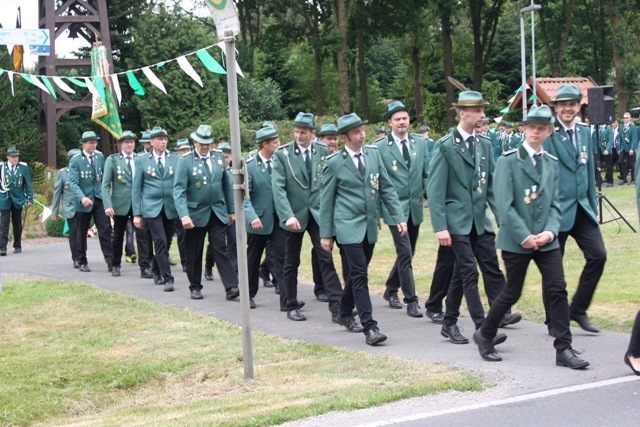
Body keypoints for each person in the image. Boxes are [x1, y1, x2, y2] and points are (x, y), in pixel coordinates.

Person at [473, 104, 589, 369]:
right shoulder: (508, 161)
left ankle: (564, 348)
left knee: (557, 289)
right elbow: (504, 205)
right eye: (532, 127)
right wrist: (525, 236)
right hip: (517, 240)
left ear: (549, 132)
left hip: (546, 241)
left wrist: (549, 232)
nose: (536, 132)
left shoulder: (551, 163)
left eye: (542, 128)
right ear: (524, 129)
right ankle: (485, 333)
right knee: (512, 292)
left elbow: (556, 204)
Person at [320, 112, 407, 345]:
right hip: (347, 226)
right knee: (359, 274)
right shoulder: (334, 163)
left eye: (362, 130)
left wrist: (398, 217)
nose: (362, 135)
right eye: (356, 132)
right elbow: (326, 201)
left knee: (357, 273)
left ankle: (344, 311)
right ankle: (370, 327)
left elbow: (386, 187)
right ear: (345, 137)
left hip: (369, 225)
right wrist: (326, 234)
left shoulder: (373, 154)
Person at [426, 91, 498, 344]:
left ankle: (449, 323)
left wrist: (502, 218)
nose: (482, 115)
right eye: (477, 111)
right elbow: (435, 190)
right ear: (462, 113)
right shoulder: (445, 146)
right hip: (455, 221)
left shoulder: (484, 144)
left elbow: (491, 186)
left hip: (478, 221)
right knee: (469, 271)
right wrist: (440, 227)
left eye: (482, 110)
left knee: (459, 273)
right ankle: (483, 329)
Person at [542, 84, 607, 335]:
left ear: (579, 106)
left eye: (572, 104)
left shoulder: (584, 131)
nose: (568, 109)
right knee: (553, 269)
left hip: (582, 209)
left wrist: (592, 207)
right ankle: (553, 321)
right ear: (556, 108)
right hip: (556, 212)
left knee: (598, 256)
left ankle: (578, 309)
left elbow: (588, 172)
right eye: (563, 105)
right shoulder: (548, 132)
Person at [272, 112, 343, 322]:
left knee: (326, 258)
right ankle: (290, 304)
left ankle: (338, 308)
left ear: (312, 133)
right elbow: (278, 188)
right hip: (294, 214)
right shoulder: (283, 154)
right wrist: (287, 215)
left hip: (317, 214)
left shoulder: (322, 150)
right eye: (296, 132)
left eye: (303, 132)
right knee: (291, 260)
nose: (299, 136)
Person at [374, 101, 428, 318]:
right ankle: (411, 300)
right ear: (389, 122)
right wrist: (377, 212)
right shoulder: (379, 147)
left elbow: (426, 173)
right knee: (404, 252)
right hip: (394, 209)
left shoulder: (419, 143)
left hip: (414, 208)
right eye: (397, 119)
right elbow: (375, 182)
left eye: (405, 118)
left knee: (408, 253)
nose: (402, 122)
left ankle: (390, 288)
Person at [174, 125, 239, 300]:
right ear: (194, 142)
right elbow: (179, 190)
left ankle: (231, 287)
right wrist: (184, 215)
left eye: (207, 143)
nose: (204, 146)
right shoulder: (185, 161)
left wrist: (231, 210)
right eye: (201, 143)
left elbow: (226, 186)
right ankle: (195, 286)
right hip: (195, 214)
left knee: (221, 248)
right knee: (194, 252)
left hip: (217, 211)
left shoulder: (218, 157)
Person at [244, 126, 287, 309]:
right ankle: (248, 295)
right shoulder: (249, 166)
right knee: (253, 260)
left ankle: (287, 300)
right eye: (275, 142)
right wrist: (252, 217)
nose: (279, 145)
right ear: (265, 144)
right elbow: (243, 197)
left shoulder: (281, 162)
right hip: (258, 221)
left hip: (278, 220)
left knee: (283, 259)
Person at [132, 126, 179, 291]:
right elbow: (136, 189)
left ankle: (156, 269)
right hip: (151, 207)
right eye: (159, 139)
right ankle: (168, 278)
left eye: (165, 139)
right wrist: (137, 213)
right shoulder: (142, 160)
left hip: (170, 206)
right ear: (151, 142)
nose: (163, 142)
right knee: (160, 240)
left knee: (167, 241)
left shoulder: (175, 159)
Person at [68, 131, 113, 272]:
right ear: (83, 144)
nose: (93, 145)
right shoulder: (75, 160)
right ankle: (81, 260)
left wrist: (108, 198)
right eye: (90, 142)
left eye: (95, 142)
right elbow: (73, 183)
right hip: (84, 200)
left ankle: (111, 261)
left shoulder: (100, 157)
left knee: (105, 230)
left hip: (98, 199)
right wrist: (82, 198)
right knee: (81, 232)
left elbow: (105, 179)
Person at [102, 130, 138, 277]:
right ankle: (115, 264)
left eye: (132, 142)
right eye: (126, 142)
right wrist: (108, 205)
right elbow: (105, 185)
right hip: (120, 203)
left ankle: (145, 265)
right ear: (121, 144)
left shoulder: (140, 159)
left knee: (142, 235)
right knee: (117, 236)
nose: (129, 145)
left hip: (137, 203)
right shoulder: (113, 160)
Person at [204, 141, 238, 280]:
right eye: (223, 157)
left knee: (233, 240)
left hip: (232, 211)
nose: (225, 160)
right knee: (216, 243)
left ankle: (234, 270)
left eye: (227, 157)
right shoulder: (214, 169)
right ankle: (208, 265)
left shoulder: (236, 171)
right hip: (218, 211)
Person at [0, 147, 33, 256]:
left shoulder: (23, 167)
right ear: (7, 157)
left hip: (18, 199)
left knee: (17, 223)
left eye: (17, 156)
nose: (15, 159)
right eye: (13, 157)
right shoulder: (1, 167)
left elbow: (28, 184)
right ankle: (2, 247)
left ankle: (17, 245)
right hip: (5, 199)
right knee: (4, 224)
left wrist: (29, 199)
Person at [51, 149, 81, 266]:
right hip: (70, 207)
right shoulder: (62, 173)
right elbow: (57, 193)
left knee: (81, 231)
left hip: (83, 207)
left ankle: (82, 255)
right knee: (74, 231)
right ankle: (76, 258)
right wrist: (54, 212)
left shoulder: (84, 172)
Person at [135, 131, 155, 279]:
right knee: (143, 236)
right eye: (147, 142)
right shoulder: (140, 159)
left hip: (154, 204)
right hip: (142, 202)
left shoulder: (161, 158)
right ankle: (145, 265)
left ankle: (156, 261)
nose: (149, 144)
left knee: (158, 236)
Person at [174, 138, 192, 272]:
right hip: (177, 205)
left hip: (192, 205)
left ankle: (191, 260)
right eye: (182, 150)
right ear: (177, 152)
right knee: (181, 235)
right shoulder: (175, 164)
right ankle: (184, 260)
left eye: (187, 150)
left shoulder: (193, 163)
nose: (185, 152)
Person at [617, 112, 637, 185]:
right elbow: (620, 139)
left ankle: (633, 179)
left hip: (630, 147)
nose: (625, 119)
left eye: (627, 118)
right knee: (620, 161)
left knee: (630, 163)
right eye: (624, 118)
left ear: (630, 118)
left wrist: (632, 148)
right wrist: (619, 148)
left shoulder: (633, 127)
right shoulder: (621, 127)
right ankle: (624, 178)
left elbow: (634, 139)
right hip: (623, 147)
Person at [595, 123, 614, 187]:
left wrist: (607, 149)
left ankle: (610, 181)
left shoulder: (608, 128)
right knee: (596, 165)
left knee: (609, 166)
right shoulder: (598, 128)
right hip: (599, 149)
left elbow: (610, 140)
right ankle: (598, 180)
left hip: (606, 150)